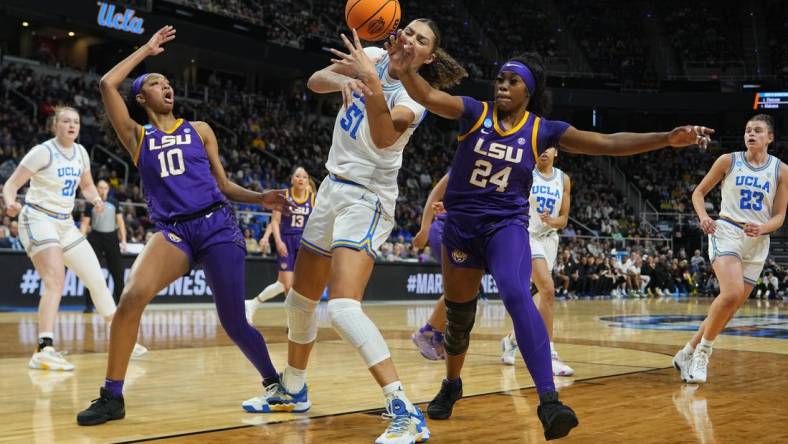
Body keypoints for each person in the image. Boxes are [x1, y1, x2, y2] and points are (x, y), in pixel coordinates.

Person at [388, 29, 713, 439]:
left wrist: (666, 139)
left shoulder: (543, 130)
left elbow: (608, 143)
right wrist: (403, 73)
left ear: (530, 90)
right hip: (460, 229)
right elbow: (429, 97)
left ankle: (549, 401)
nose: (503, 86)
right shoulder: (474, 111)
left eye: (513, 81)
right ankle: (452, 384)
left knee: (515, 292)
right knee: (458, 318)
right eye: (501, 79)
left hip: (504, 227)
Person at [244, 21, 467, 444]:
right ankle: (293, 388)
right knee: (300, 299)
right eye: (410, 31)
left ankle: (405, 411)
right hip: (331, 186)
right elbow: (315, 80)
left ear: (429, 57)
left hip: (367, 198)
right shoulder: (376, 56)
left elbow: (384, 138)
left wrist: (369, 85)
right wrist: (344, 81)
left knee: (343, 309)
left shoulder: (414, 96)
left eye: (423, 40)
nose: (411, 39)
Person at [76, 26, 287, 426]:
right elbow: (107, 82)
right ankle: (112, 396)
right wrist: (147, 50)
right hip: (174, 231)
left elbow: (223, 185)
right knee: (131, 298)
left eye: (169, 83)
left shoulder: (200, 130)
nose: (167, 88)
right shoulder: (138, 137)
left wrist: (259, 198)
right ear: (142, 98)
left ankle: (275, 383)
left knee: (233, 321)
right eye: (158, 83)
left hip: (217, 226)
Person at [2, 106, 146, 372]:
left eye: (76, 122)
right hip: (38, 218)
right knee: (55, 280)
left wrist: (95, 199)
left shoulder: (80, 153)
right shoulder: (42, 152)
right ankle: (43, 349)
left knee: (96, 279)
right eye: (66, 121)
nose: (71, 125)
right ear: (55, 125)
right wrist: (10, 204)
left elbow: (87, 185)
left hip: (65, 224)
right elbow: (10, 185)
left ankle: (121, 338)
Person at [673, 114, 786, 384]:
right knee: (732, 292)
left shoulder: (780, 170)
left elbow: (780, 215)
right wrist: (703, 217)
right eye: (748, 130)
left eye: (758, 131)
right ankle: (703, 353)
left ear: (769, 137)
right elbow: (698, 193)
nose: (751, 134)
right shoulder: (728, 160)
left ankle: (686, 352)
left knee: (729, 306)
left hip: (757, 240)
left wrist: (764, 228)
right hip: (727, 231)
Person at [500, 147, 574, 377]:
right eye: (540, 147)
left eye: (549, 148)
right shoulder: (525, 172)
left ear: (557, 152)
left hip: (550, 239)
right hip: (526, 236)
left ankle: (511, 340)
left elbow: (564, 219)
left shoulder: (563, 178)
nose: (544, 152)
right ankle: (548, 354)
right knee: (548, 290)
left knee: (538, 296)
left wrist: (554, 221)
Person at [246, 167, 315, 322]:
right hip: (287, 241)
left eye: (304, 176)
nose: (301, 179)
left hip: (304, 243)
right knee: (288, 285)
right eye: (297, 176)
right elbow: (275, 221)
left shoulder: (312, 199)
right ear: (292, 179)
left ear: (308, 180)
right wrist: (276, 240)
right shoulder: (284, 197)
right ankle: (293, 321)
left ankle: (253, 303)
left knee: (285, 285)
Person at [411, 173, 449, 360]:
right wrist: (424, 229)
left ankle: (436, 336)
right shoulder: (467, 161)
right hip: (445, 230)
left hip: (465, 232)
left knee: (465, 293)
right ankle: (427, 333)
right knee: (461, 290)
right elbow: (435, 194)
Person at [80, 179, 127, 311]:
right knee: (91, 272)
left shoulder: (114, 202)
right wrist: (81, 240)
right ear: (96, 189)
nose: (102, 190)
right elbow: (84, 224)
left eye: (105, 188)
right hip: (95, 239)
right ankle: (89, 306)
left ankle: (120, 304)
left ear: (108, 189)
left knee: (118, 272)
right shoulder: (91, 204)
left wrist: (123, 240)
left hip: (112, 238)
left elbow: (121, 222)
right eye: (100, 188)